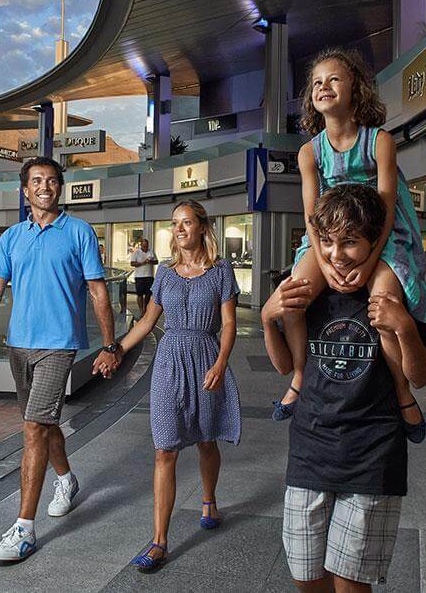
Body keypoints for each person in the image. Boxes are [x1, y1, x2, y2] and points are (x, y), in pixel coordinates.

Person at [262, 184, 426, 591]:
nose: (336, 255)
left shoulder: (394, 295)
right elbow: (284, 364)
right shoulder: (308, 297)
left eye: (350, 243)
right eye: (326, 242)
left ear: (376, 243)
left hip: (372, 457)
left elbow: (422, 374)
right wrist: (271, 316)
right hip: (309, 452)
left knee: (351, 584)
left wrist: (405, 328)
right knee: (306, 578)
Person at [0, 156, 122, 563]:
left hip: (59, 344)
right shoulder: (12, 237)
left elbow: (98, 291)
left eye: (52, 181)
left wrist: (110, 345)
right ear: (25, 190)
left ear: (60, 188)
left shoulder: (79, 232)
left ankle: (24, 529)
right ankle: (66, 479)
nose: (45, 187)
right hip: (19, 345)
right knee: (42, 424)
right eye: (36, 181)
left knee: (34, 427)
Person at [274, 48, 426, 445]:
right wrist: (326, 265)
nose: (323, 87)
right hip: (327, 235)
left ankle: (402, 390)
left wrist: (371, 262)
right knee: (294, 293)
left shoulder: (379, 141)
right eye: (316, 82)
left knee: (383, 302)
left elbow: (385, 205)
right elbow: (312, 216)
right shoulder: (309, 152)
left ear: (355, 88)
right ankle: (298, 374)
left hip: (381, 234)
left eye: (333, 79)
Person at [98, 200, 241, 572]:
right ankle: (159, 541)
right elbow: (146, 322)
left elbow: (228, 324)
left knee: (206, 439)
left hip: (206, 357)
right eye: (175, 223)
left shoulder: (221, 270)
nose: (179, 229)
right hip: (169, 361)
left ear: (202, 228)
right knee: (165, 449)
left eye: (186, 222)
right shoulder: (164, 272)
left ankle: (208, 499)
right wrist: (115, 349)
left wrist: (222, 363)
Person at [129, 238, 158, 315]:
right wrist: (143, 262)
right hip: (139, 276)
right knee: (140, 294)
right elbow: (132, 263)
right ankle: (141, 309)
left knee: (148, 294)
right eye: (144, 246)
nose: (145, 247)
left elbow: (156, 261)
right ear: (141, 245)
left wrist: (150, 261)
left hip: (149, 276)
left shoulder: (151, 252)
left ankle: (145, 307)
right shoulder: (136, 252)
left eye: (146, 246)